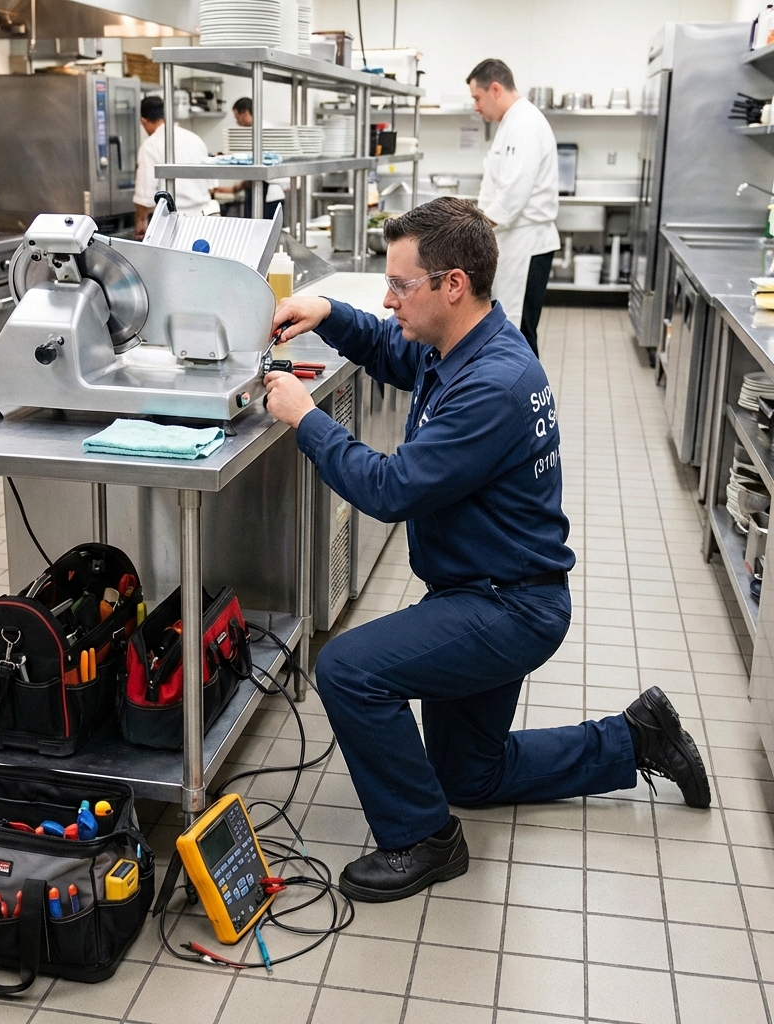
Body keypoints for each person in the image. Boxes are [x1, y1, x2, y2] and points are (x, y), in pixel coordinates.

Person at [262, 197, 710, 904]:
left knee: (346, 668)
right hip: (488, 590)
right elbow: (390, 350)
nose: (388, 298)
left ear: (452, 285)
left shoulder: (492, 385)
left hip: (507, 606)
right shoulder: (467, 346)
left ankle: (424, 838)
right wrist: (328, 312)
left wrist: (307, 418)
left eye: (400, 285)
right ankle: (636, 739)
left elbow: (392, 487)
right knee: (468, 774)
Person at [467, 58, 560, 358]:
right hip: (512, 241)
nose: (476, 107)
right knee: (509, 331)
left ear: (495, 89)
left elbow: (513, 193)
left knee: (518, 333)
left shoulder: (525, 123)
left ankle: (528, 401)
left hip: (527, 246)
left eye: (477, 98)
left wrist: (473, 228)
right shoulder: (511, 123)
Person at [133, 96, 217, 239]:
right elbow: (212, 186)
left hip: (173, 225)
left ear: (144, 121)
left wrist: (141, 221)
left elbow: (145, 197)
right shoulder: (195, 139)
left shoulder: (150, 145)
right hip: (204, 222)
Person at [231, 96, 287, 220]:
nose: (237, 122)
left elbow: (263, 163)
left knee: (263, 232)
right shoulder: (254, 130)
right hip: (260, 188)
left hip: (267, 190)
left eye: (237, 117)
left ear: (245, 112)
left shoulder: (263, 130)